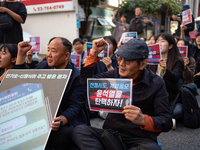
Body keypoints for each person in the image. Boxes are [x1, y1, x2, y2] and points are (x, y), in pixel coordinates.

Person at [72, 38, 172, 150]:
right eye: (119, 58)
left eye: (127, 61)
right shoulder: (115, 74)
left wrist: (143, 119)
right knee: (80, 131)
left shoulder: (156, 83)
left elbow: (166, 121)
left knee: (152, 149)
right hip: (111, 134)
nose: (121, 64)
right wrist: (93, 54)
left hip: (139, 138)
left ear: (142, 64)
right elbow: (86, 83)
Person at [15, 37, 90, 149]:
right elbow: (21, 80)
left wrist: (60, 120)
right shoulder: (43, 66)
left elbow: (75, 106)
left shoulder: (77, 76)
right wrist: (21, 54)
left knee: (63, 134)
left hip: (66, 120)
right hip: (43, 115)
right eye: (48, 50)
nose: (49, 54)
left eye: (53, 51)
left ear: (66, 56)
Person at [147, 33, 184, 128]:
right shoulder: (151, 59)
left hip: (169, 95)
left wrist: (165, 69)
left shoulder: (177, 60)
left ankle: (160, 118)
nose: (159, 43)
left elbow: (175, 77)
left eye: (162, 41)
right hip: (152, 94)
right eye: (157, 41)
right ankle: (165, 119)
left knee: (177, 111)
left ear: (171, 46)